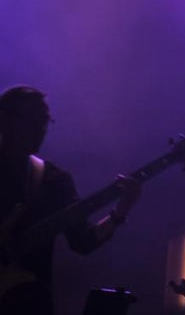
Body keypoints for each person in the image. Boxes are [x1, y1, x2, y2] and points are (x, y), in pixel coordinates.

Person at [0, 86, 141, 315]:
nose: (41, 129)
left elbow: (83, 242)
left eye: (45, 120)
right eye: (32, 119)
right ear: (5, 121)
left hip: (30, 304)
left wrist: (123, 208)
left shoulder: (54, 180)